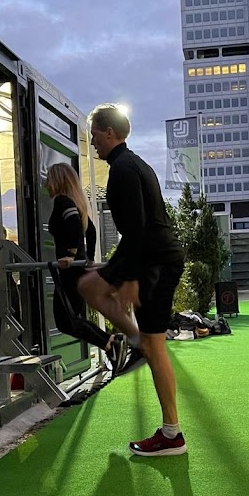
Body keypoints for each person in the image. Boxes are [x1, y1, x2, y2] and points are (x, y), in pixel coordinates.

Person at [77, 105, 187, 456]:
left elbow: (138, 229)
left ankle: (171, 433)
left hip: (153, 259)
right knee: (91, 286)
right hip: (152, 255)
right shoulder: (132, 163)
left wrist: (133, 279)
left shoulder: (124, 168)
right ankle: (137, 346)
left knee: (91, 289)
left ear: (109, 132)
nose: (93, 141)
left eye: (95, 134)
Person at [46, 164, 127, 375]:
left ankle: (110, 342)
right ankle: (111, 343)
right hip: (77, 269)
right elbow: (90, 231)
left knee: (66, 321)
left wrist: (71, 255)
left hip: (71, 271)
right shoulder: (76, 203)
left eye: (49, 179)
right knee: (72, 320)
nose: (46, 184)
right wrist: (87, 259)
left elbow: (75, 226)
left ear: (58, 180)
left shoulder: (63, 201)